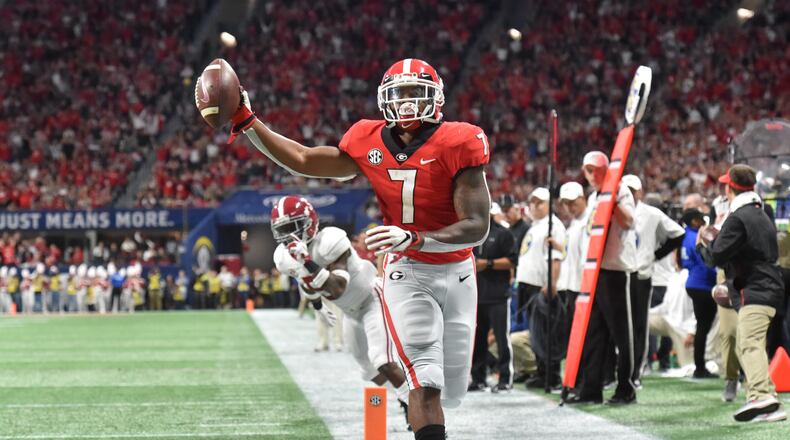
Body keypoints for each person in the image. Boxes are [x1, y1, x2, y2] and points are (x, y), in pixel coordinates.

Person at [223, 58, 491, 439]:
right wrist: (250, 124)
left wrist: (417, 236)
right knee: (423, 377)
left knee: (454, 388)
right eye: (400, 94)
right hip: (406, 269)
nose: (408, 103)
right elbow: (303, 159)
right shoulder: (368, 138)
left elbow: (477, 227)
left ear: (436, 97)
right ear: (385, 99)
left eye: (416, 92)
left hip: (457, 266)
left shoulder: (461, 140)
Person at [270, 195, 411, 427]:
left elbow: (337, 287)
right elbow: (306, 284)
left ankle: (419, 409)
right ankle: (404, 395)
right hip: (350, 311)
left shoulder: (330, 240)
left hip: (371, 299)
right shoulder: (283, 257)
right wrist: (317, 305)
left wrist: (306, 260)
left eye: (293, 227)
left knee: (382, 360)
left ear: (309, 222)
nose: (289, 236)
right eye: (282, 229)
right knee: (368, 370)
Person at [697, 165, 786, 423]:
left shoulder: (739, 217)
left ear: (729, 188)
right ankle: (771, 403)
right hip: (769, 286)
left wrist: (704, 242)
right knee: (750, 342)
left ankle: (759, 395)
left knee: (748, 343)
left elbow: (716, 255)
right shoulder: (761, 214)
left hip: (756, 288)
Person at [566, 151, 637, 405]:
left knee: (620, 333)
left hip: (613, 271)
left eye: (595, 169)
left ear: (606, 169)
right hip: (595, 271)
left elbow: (628, 222)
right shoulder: (595, 196)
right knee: (594, 332)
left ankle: (626, 388)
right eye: (587, 170)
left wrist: (612, 200)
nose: (591, 175)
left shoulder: (619, 189)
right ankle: (591, 390)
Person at [621, 174, 685, 382]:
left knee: (642, 324)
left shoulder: (650, 214)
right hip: (620, 274)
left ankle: (639, 369)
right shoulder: (614, 212)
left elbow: (679, 234)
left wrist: (656, 255)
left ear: (639, 192)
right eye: (626, 190)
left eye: (632, 190)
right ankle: (624, 368)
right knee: (624, 325)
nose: (629, 194)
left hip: (643, 275)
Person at [515, 187, 567, 389]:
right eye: (533, 202)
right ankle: (541, 371)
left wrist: (551, 282)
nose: (535, 206)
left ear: (548, 205)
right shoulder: (536, 226)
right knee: (537, 333)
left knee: (547, 333)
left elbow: (555, 257)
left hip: (541, 286)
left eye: (540, 202)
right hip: (530, 285)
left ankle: (552, 375)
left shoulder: (552, 226)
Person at [469, 204, 516, 392]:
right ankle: (478, 378)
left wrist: (487, 264)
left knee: (501, 338)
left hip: (497, 295)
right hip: (476, 295)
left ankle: (505, 378)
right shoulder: (470, 234)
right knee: (477, 339)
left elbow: (512, 261)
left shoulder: (503, 233)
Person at [679, 208, 718, 379]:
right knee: (703, 327)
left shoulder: (685, 236)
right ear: (694, 221)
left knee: (702, 326)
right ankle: (700, 367)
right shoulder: (695, 237)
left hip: (694, 281)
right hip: (702, 284)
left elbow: (681, 262)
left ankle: (699, 366)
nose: (703, 221)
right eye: (700, 218)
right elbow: (706, 261)